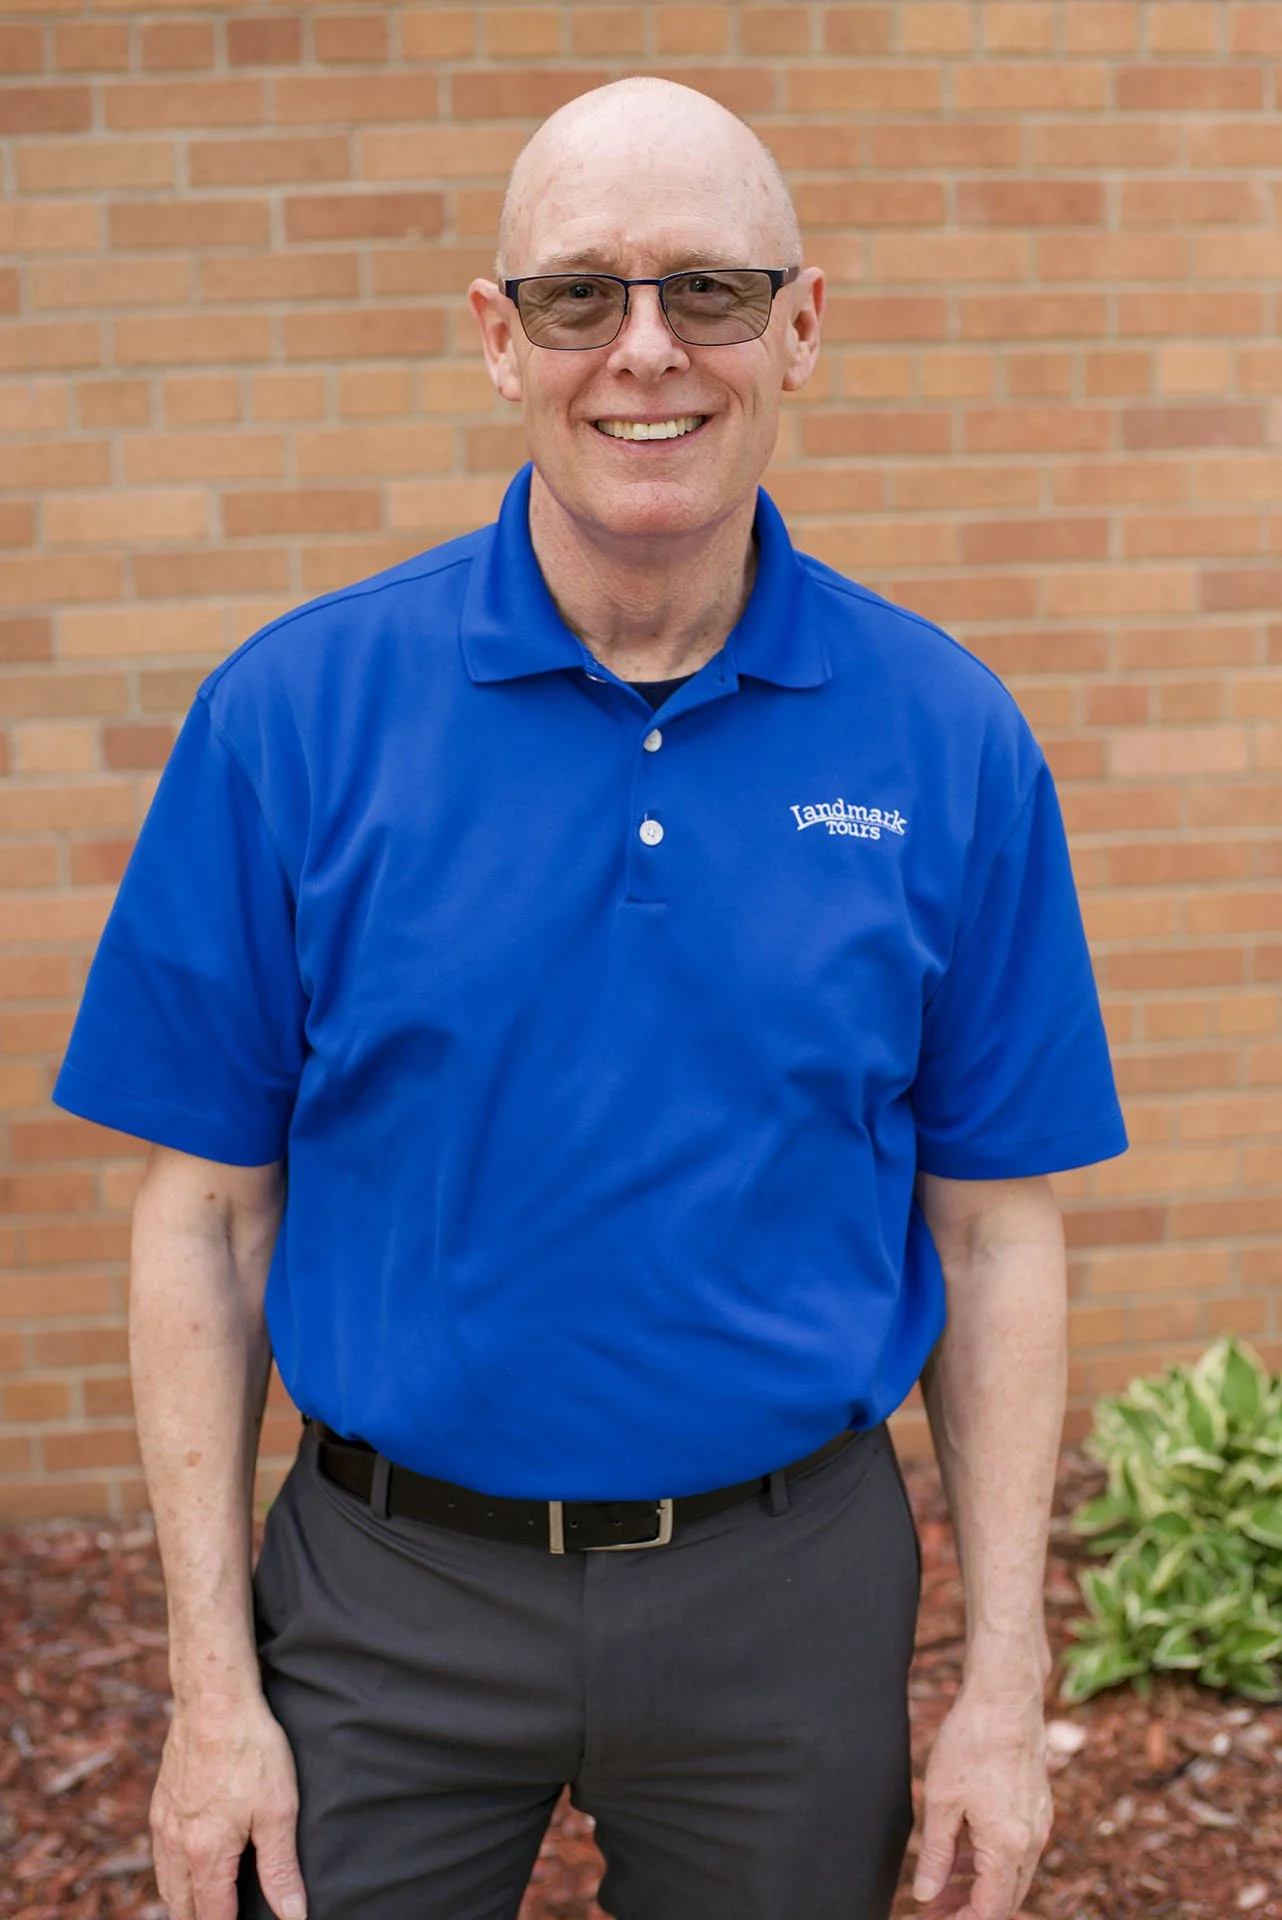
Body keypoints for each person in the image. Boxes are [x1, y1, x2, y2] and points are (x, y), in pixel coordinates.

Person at [52, 76, 1127, 1920]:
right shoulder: (293, 718)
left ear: (801, 327)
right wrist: (211, 1695)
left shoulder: (947, 737)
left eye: (708, 289)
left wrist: (1002, 1692)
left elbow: (994, 1230)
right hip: (382, 1600)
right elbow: (205, 1221)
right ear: (500, 338)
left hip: (785, 1607)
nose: (645, 350)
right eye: (579, 296)